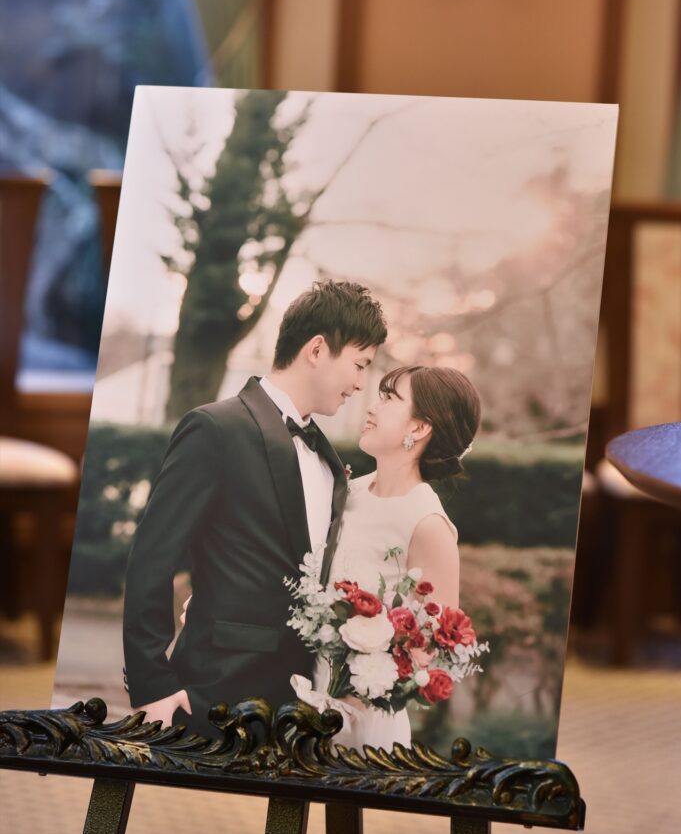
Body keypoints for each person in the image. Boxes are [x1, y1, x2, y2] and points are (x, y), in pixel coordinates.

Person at [122, 280, 387, 737]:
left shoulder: (329, 460)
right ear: (317, 349)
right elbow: (152, 557)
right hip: (213, 694)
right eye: (359, 364)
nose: (360, 383)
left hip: (301, 709)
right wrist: (152, 684)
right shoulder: (215, 429)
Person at [301, 364, 481, 752]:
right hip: (305, 698)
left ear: (420, 427)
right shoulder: (349, 491)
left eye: (389, 398)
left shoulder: (427, 523)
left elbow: (434, 646)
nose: (372, 406)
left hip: (362, 724)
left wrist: (361, 692)